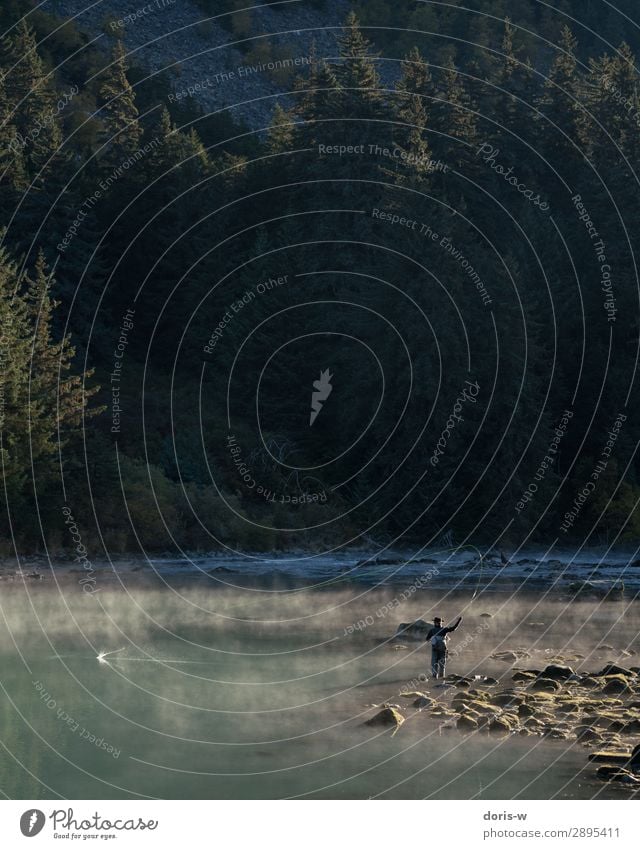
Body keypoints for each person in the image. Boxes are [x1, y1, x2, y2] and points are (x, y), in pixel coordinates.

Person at [425, 614, 463, 679]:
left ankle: (435, 677)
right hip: (443, 649)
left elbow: (427, 639)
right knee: (442, 664)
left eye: (436, 622)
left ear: (434, 623)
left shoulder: (432, 630)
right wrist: (459, 621)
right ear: (441, 623)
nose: (436, 623)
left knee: (434, 663)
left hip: (435, 649)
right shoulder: (444, 629)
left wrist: (433, 640)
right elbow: (453, 628)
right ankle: (441, 678)